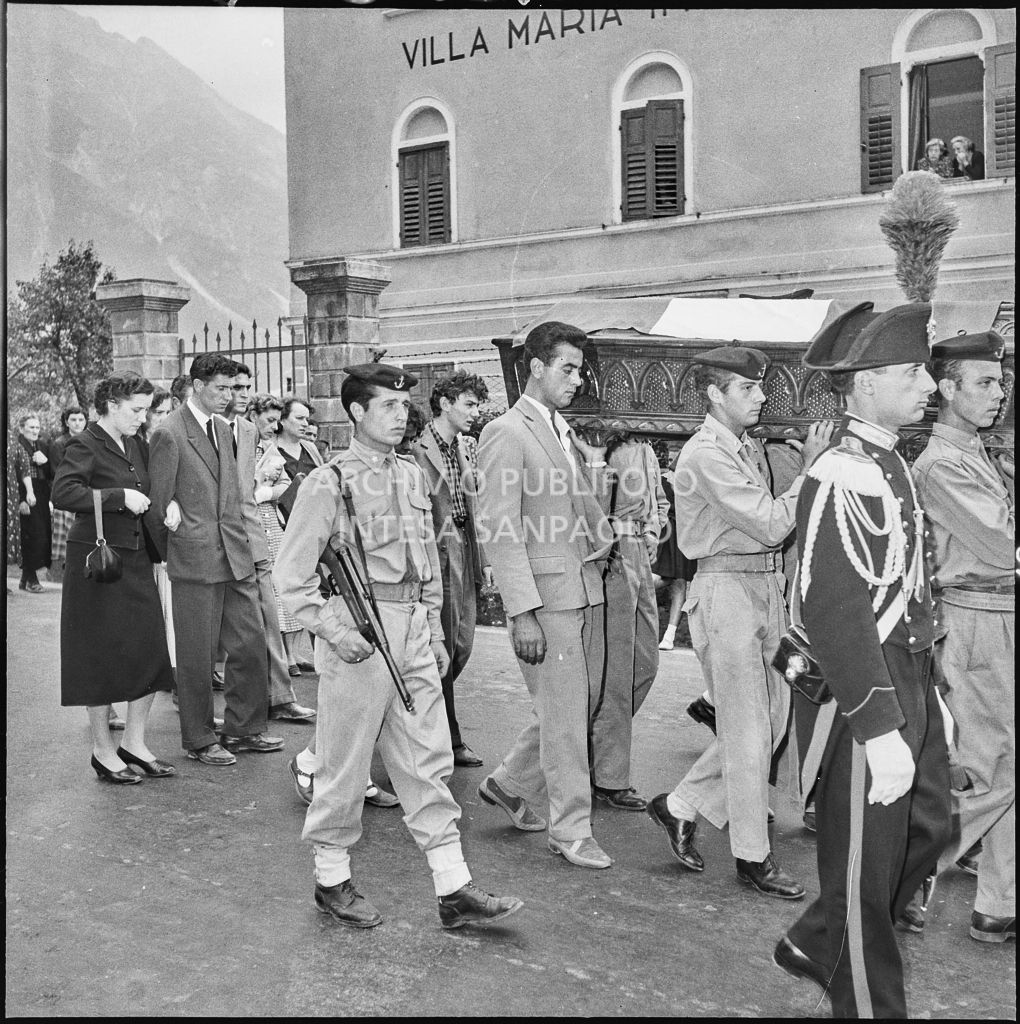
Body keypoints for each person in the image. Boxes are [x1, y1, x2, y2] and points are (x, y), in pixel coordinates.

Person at [274, 362, 523, 930]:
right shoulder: (329, 482)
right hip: (362, 630)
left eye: (404, 405)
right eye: (387, 405)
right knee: (344, 763)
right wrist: (336, 632)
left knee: (427, 759)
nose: (400, 414)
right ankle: (331, 878)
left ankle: (453, 887)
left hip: (411, 628)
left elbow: (429, 562)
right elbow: (290, 578)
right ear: (357, 411)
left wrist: (433, 633)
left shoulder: (411, 475)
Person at [774, 302, 952, 1018]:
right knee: (864, 861)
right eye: (912, 372)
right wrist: (879, 727)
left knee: (930, 823)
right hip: (865, 682)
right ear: (867, 384)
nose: (928, 386)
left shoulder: (885, 459)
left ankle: (821, 939)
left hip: (905, 670)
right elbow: (834, 607)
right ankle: (867, 1000)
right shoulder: (843, 472)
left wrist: (926, 692)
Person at [646, 347, 831, 899]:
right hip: (725, 594)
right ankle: (753, 856)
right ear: (714, 394)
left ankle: (679, 806)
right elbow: (773, 524)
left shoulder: (744, 446)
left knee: (772, 723)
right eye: (748, 389)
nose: (762, 397)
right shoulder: (705, 454)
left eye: (761, 388)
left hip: (763, 592)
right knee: (749, 734)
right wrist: (813, 469)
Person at [475, 321, 616, 870]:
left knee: (569, 705)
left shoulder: (560, 431)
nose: (577, 380)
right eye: (568, 368)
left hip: (579, 590)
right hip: (547, 601)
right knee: (565, 719)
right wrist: (522, 613)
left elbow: (574, 511)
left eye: (580, 370)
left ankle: (511, 784)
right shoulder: (507, 432)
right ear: (534, 367)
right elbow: (500, 527)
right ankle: (571, 830)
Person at [913, 331, 1014, 944]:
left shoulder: (975, 453)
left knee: (1004, 762)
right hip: (978, 618)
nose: (998, 394)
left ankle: (998, 903)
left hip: (998, 613)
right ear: (946, 389)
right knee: (993, 769)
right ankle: (906, 864)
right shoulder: (942, 463)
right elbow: (1002, 546)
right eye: (984, 382)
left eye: (1000, 382)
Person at [145, 352, 282, 766]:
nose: (229, 396)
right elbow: (157, 506)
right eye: (221, 388)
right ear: (198, 385)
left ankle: (242, 728)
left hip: (235, 556)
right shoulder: (170, 432)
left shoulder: (225, 431)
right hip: (194, 559)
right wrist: (172, 554)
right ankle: (199, 738)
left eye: (232, 388)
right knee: (196, 656)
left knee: (250, 644)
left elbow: (234, 496)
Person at [52, 372, 175, 784]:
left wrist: (167, 504)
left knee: (149, 651)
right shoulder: (84, 443)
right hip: (97, 564)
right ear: (109, 405)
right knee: (99, 656)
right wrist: (118, 497)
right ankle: (103, 750)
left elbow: (148, 488)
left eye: (145, 410)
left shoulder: (135, 443)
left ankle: (135, 744)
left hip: (137, 558)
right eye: (136, 410)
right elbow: (63, 493)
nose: (143, 417)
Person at [225, 364, 316, 725]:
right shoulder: (212, 432)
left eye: (247, 386)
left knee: (269, 617)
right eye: (236, 387)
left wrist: (266, 491)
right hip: (225, 537)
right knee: (233, 630)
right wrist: (260, 491)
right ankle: (212, 706)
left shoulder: (250, 434)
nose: (242, 393)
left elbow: (267, 487)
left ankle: (279, 698)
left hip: (259, 533)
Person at [410, 371, 492, 768]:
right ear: (445, 403)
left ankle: (424, 721)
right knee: (440, 647)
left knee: (461, 645)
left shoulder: (462, 446)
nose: (476, 412)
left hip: (463, 549)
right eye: (470, 404)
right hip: (435, 554)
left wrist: (485, 559)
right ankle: (446, 737)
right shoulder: (417, 447)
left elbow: (475, 505)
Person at [587, 431, 669, 810]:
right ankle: (608, 777)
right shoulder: (606, 444)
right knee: (617, 675)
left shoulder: (644, 445)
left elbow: (660, 497)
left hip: (639, 553)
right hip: (615, 554)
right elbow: (590, 501)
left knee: (645, 665)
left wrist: (654, 529)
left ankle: (595, 743)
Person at [265, 395, 323, 674]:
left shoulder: (310, 448)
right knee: (288, 584)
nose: (305, 423)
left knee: (314, 584)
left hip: (313, 524)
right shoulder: (271, 449)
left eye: (306, 419)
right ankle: (288, 655)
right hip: (284, 524)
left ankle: (303, 651)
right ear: (283, 421)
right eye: (298, 418)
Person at [650, 439, 696, 652]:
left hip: (676, 532)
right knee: (667, 581)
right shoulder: (663, 479)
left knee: (677, 583)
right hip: (668, 532)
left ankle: (668, 636)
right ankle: (663, 634)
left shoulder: (680, 479)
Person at [14, 414, 53, 592]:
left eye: (37, 427)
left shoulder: (43, 445)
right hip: (25, 494)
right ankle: (32, 578)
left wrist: (45, 462)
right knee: (32, 535)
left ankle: (24, 579)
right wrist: (21, 500)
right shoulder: (16, 446)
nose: (35, 431)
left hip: (42, 494)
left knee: (42, 534)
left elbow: (52, 473)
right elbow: (14, 475)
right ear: (21, 429)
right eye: (31, 427)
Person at [49, 406, 88, 582]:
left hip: (87, 493)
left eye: (80, 419)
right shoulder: (59, 443)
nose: (77, 423)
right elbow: (57, 473)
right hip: (67, 496)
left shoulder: (90, 440)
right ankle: (63, 573)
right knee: (66, 536)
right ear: (66, 422)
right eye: (73, 419)